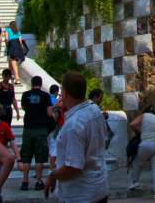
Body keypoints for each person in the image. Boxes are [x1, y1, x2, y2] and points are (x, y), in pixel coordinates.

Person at [44, 71, 108, 203]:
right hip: (99, 188)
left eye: (62, 90)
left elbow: (74, 167)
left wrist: (53, 175)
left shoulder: (74, 125)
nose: (61, 94)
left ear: (66, 93)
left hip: (79, 194)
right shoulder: (95, 110)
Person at [19, 75, 55, 191]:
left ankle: (25, 182)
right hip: (41, 129)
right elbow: (49, 113)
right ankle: (38, 182)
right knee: (39, 157)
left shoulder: (25, 95)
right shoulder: (45, 96)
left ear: (31, 83)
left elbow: (24, 108)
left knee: (26, 156)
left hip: (28, 128)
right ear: (41, 83)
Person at [129, 106, 155, 199]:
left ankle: (134, 182)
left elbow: (132, 124)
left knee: (137, 162)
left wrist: (138, 131)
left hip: (146, 143)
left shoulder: (143, 116)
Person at [48, 84, 62, 172]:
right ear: (56, 91)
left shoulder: (46, 99)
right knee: (54, 148)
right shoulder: (56, 101)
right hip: (54, 127)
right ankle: (52, 168)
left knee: (50, 147)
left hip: (45, 127)